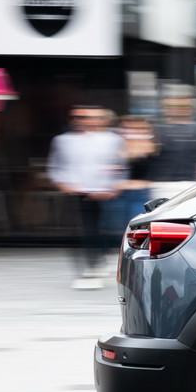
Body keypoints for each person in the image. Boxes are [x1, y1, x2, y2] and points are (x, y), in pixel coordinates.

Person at [47, 105, 127, 290]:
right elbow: (55, 166)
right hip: (78, 191)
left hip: (105, 190)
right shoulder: (63, 141)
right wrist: (63, 184)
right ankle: (89, 267)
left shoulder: (112, 140)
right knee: (85, 231)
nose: (84, 121)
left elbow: (120, 164)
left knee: (106, 228)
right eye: (79, 117)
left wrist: (114, 185)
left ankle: (102, 259)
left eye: (88, 117)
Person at [148, 95, 196, 204]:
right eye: (173, 106)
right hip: (163, 186)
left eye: (184, 106)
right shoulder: (157, 130)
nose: (179, 109)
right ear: (165, 109)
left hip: (191, 184)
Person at [115, 115, 160, 233]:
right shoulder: (119, 144)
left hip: (139, 193)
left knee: (137, 228)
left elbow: (136, 156)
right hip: (118, 192)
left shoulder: (149, 145)